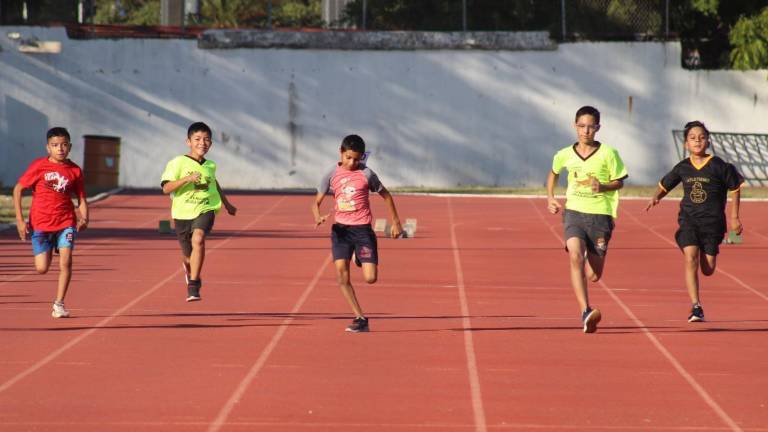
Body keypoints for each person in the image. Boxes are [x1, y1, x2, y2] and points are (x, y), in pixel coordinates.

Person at [646, 120, 743, 322]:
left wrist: (734, 217)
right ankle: (696, 306)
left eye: (701, 137)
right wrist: (656, 197)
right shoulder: (683, 167)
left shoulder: (720, 166)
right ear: (685, 144)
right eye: (692, 138)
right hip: (689, 220)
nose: (697, 141)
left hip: (713, 224)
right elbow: (666, 184)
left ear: (707, 141)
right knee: (690, 258)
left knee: (708, 269)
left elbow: (735, 188)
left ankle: (704, 251)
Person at [546, 106, 628, 333]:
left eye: (591, 127)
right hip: (574, 213)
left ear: (598, 128)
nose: (586, 131)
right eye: (581, 126)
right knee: (575, 256)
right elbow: (553, 172)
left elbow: (620, 181)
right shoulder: (564, 154)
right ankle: (585, 311)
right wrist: (551, 198)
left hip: (600, 215)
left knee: (593, 275)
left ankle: (589, 289)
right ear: (575, 126)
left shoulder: (609, 153)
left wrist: (602, 186)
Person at [312, 134, 403, 333]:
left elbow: (386, 196)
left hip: (362, 230)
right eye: (348, 158)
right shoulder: (331, 174)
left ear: (362, 157)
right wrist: (317, 215)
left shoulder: (367, 174)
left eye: (357, 159)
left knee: (371, 278)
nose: (352, 162)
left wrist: (396, 222)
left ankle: (358, 256)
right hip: (341, 231)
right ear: (341, 153)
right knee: (341, 275)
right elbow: (315, 202)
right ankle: (360, 317)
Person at [13, 127, 89, 318]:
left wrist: (85, 217)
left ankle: (59, 304)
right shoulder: (39, 166)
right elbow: (18, 189)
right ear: (48, 148)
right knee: (42, 268)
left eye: (64, 145)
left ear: (70, 146)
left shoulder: (74, 170)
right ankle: (53, 245)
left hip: (66, 222)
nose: (60, 149)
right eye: (55, 145)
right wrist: (20, 220)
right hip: (41, 223)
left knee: (66, 261)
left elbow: (81, 198)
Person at [161, 122, 237, 302]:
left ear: (211, 144)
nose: (202, 143)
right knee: (188, 256)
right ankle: (189, 268)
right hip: (182, 213)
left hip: (206, 208)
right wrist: (187, 178)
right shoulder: (177, 162)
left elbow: (213, 182)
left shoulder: (210, 165)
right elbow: (166, 188)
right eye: (197, 139)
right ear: (188, 141)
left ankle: (193, 284)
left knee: (199, 238)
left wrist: (226, 203)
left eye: (207, 139)